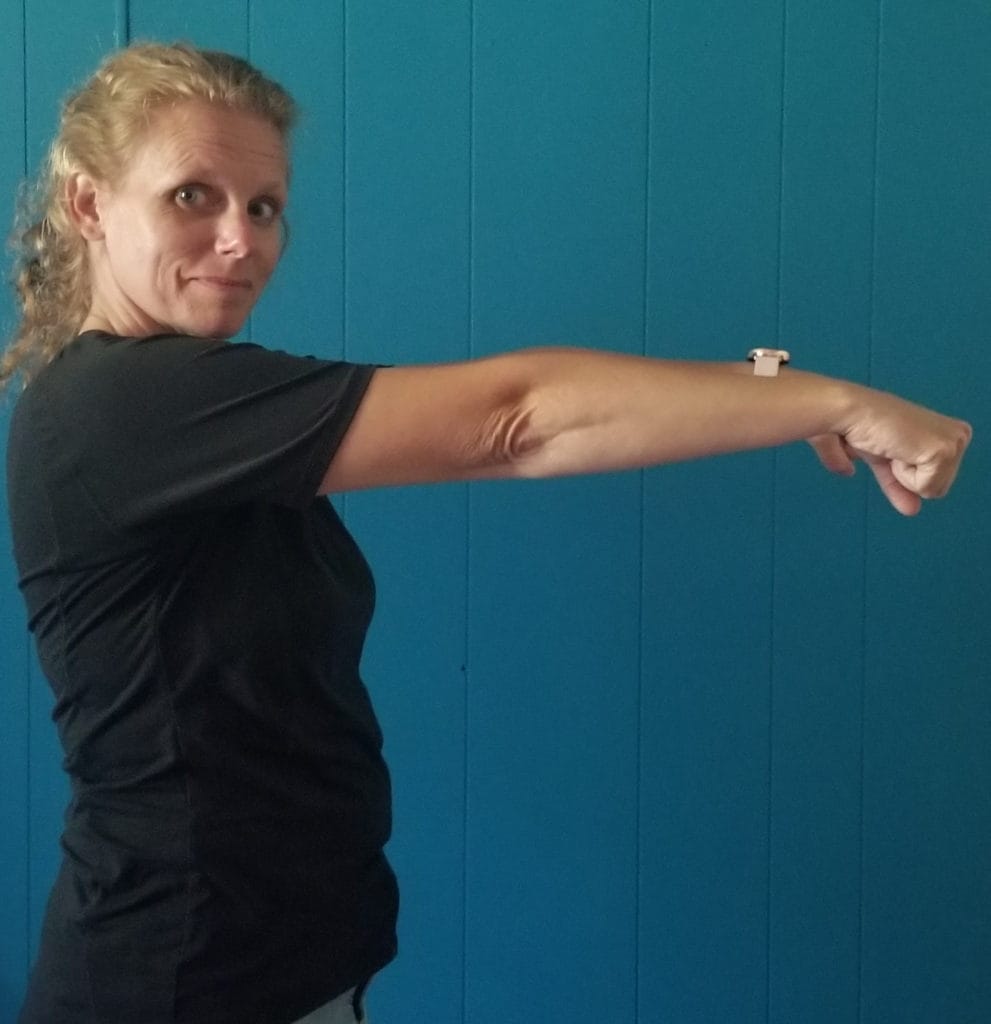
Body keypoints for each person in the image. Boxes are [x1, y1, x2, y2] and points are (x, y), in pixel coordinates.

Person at [1, 41, 971, 1024]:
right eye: (191, 197)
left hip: (274, 966)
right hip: (173, 982)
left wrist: (790, 404)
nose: (241, 240)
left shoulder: (187, 409)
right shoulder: (124, 408)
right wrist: (841, 402)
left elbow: (533, 418)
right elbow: (514, 421)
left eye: (262, 206)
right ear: (89, 206)